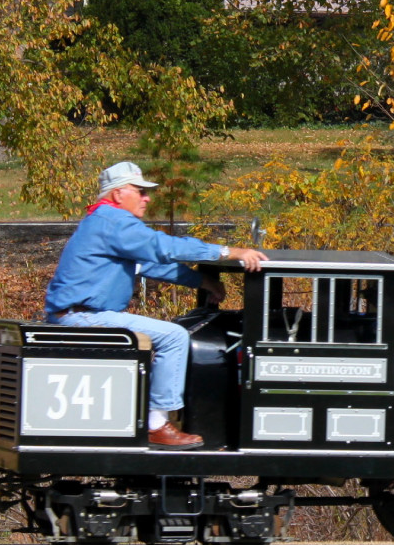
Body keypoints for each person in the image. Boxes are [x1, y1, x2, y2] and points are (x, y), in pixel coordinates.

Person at [45, 161, 268, 450]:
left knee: (169, 334)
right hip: (83, 317)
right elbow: (164, 247)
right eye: (140, 191)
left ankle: (155, 417)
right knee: (174, 336)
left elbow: (150, 265)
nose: (147, 198)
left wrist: (202, 281)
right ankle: (157, 424)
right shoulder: (113, 221)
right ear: (118, 194)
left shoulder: (104, 221)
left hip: (79, 314)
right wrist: (228, 251)